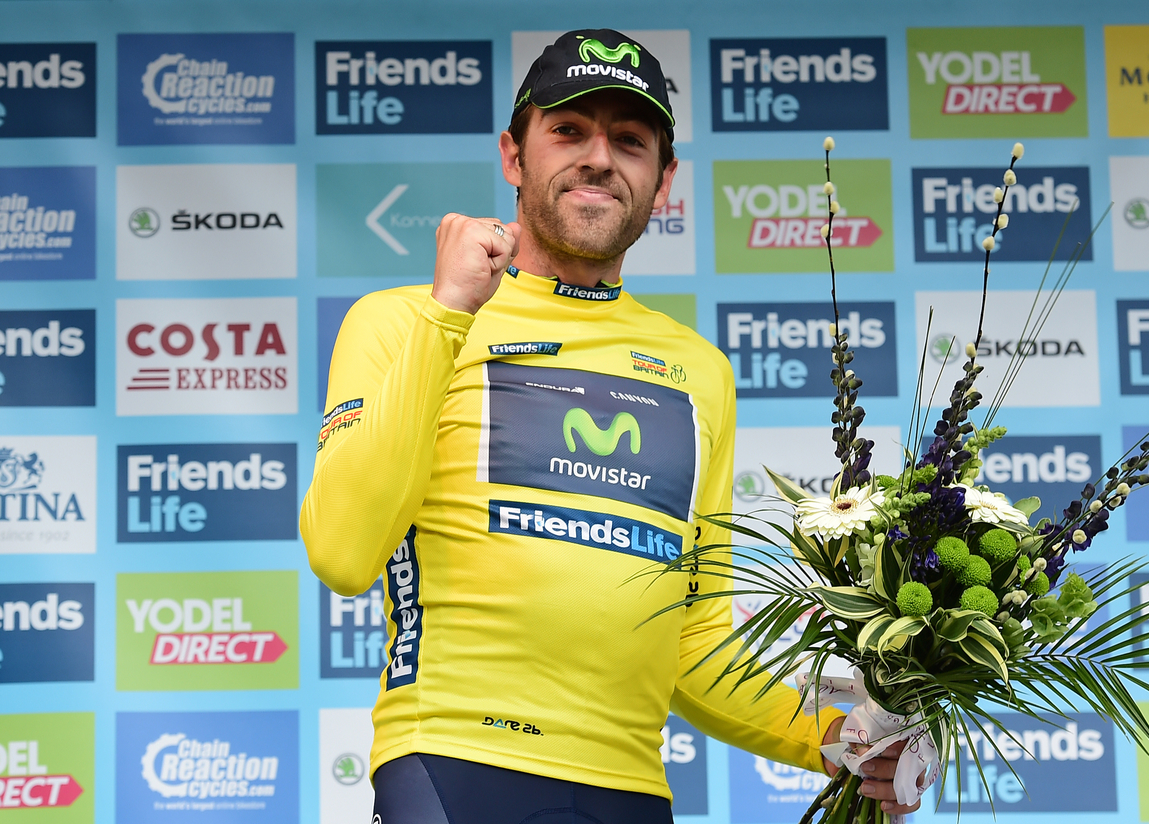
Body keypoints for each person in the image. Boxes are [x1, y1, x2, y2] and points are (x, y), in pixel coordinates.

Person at [301, 28, 919, 824]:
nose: (598, 156)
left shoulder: (699, 369)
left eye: (629, 140)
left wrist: (844, 741)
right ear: (512, 156)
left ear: (664, 183)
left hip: (631, 790)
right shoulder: (404, 321)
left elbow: (692, 644)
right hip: (454, 762)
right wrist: (450, 312)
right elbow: (343, 551)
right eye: (567, 130)